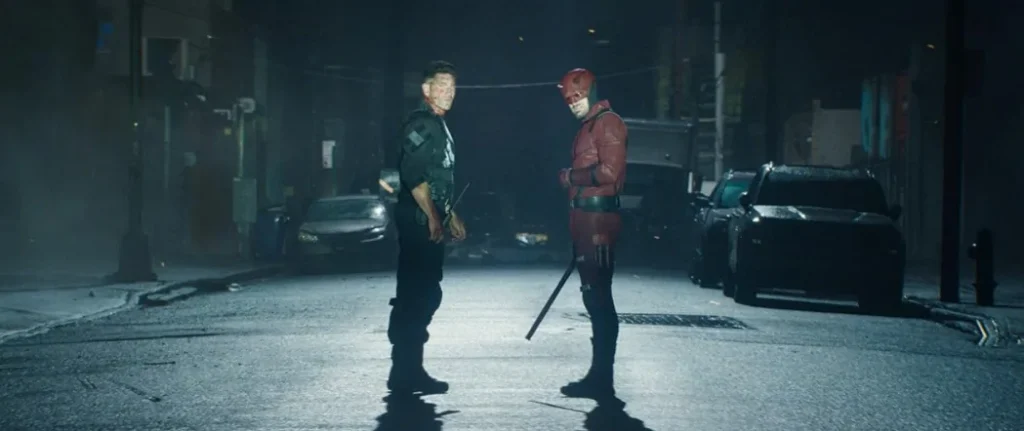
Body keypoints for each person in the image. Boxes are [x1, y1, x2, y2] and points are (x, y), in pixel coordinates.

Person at [386, 60, 467, 395]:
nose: (448, 92)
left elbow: (436, 179)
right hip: (418, 223)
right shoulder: (422, 123)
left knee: (425, 294)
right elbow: (413, 174)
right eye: (441, 85)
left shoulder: (439, 125)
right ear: (426, 89)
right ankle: (404, 373)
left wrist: (449, 214)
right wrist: (434, 217)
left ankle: (409, 371)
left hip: (428, 221)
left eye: (452, 87)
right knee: (417, 296)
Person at [557, 68, 628, 400]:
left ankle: (602, 379)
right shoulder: (591, 125)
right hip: (587, 219)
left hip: (598, 220)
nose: (573, 103)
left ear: (592, 92)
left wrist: (571, 177)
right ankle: (599, 376)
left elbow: (610, 172)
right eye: (568, 99)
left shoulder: (607, 123)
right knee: (593, 295)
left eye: (578, 96)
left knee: (599, 297)